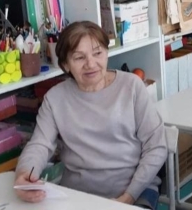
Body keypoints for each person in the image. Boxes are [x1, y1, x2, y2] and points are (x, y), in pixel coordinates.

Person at [14, 21, 168, 210]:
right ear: (65, 65)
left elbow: (156, 146)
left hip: (135, 191)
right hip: (78, 195)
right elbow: (40, 144)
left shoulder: (132, 87)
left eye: (98, 53)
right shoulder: (55, 98)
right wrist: (25, 174)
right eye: (79, 57)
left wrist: (128, 197)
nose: (91, 64)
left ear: (107, 53)